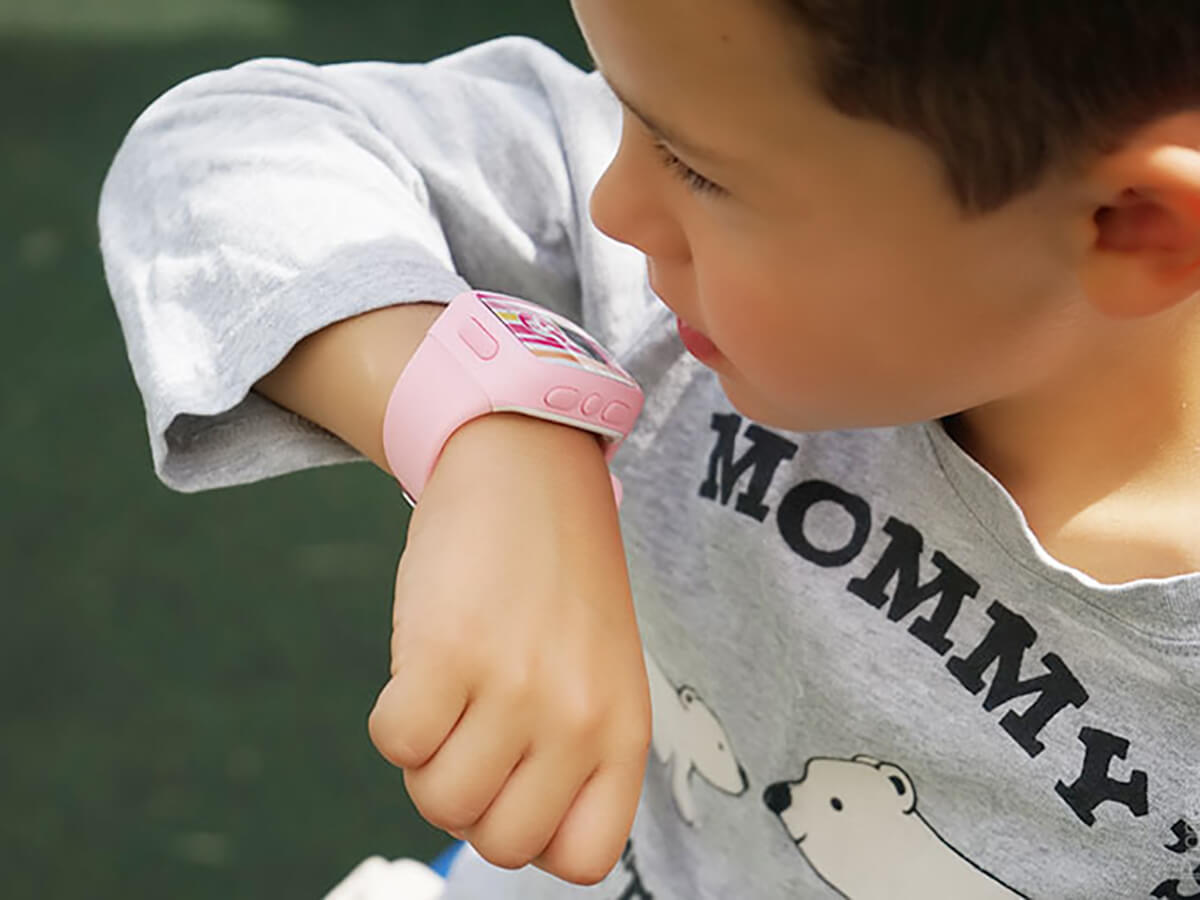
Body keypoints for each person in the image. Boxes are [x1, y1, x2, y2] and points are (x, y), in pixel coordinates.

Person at [99, 1, 1200, 897]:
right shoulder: (719, 157)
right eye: (625, 112)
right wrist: (487, 424)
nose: (616, 205)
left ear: (1132, 227)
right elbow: (224, 147)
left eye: (703, 172)